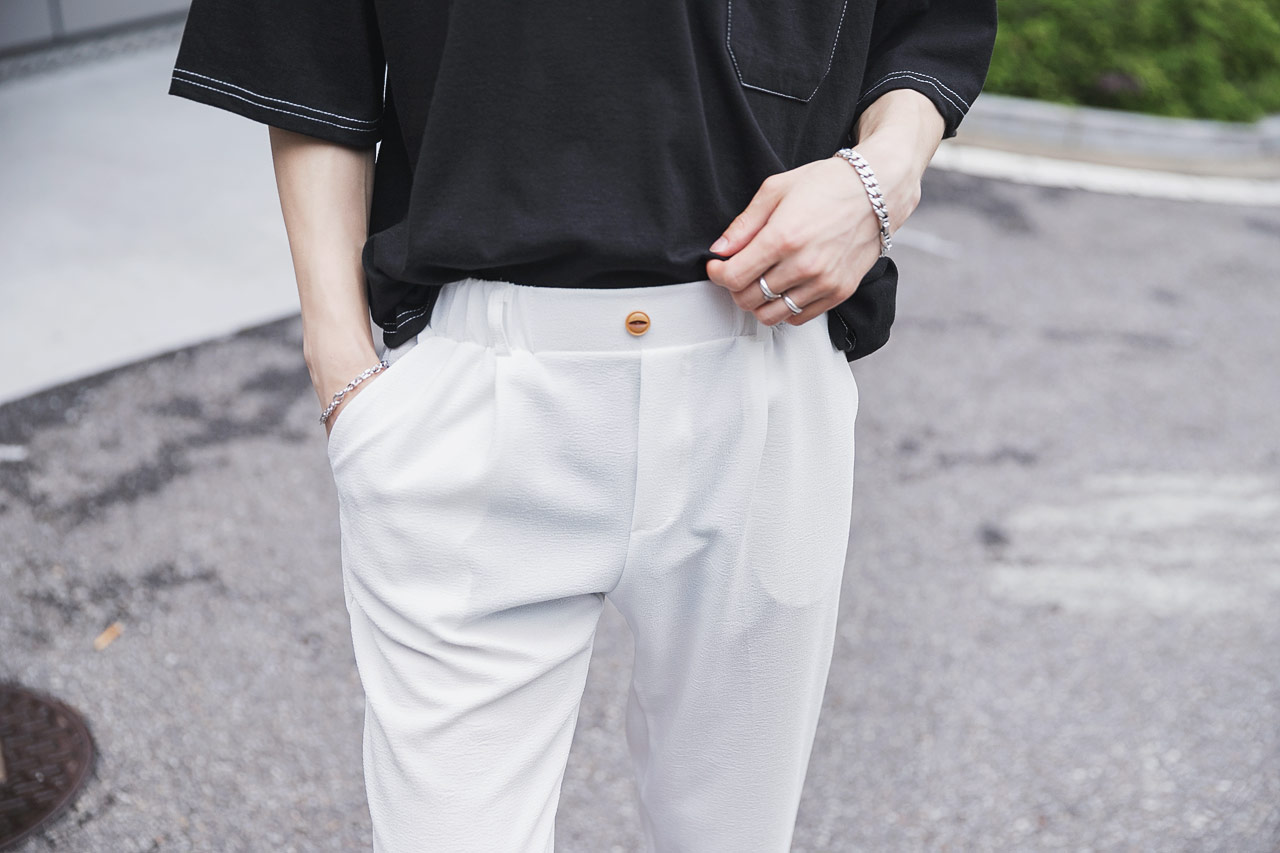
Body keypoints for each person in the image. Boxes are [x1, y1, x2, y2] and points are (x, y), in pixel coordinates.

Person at [168, 2, 996, 850]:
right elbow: (306, 41)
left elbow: (929, 19)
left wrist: (881, 175)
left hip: (767, 370)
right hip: (477, 389)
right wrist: (341, 368)